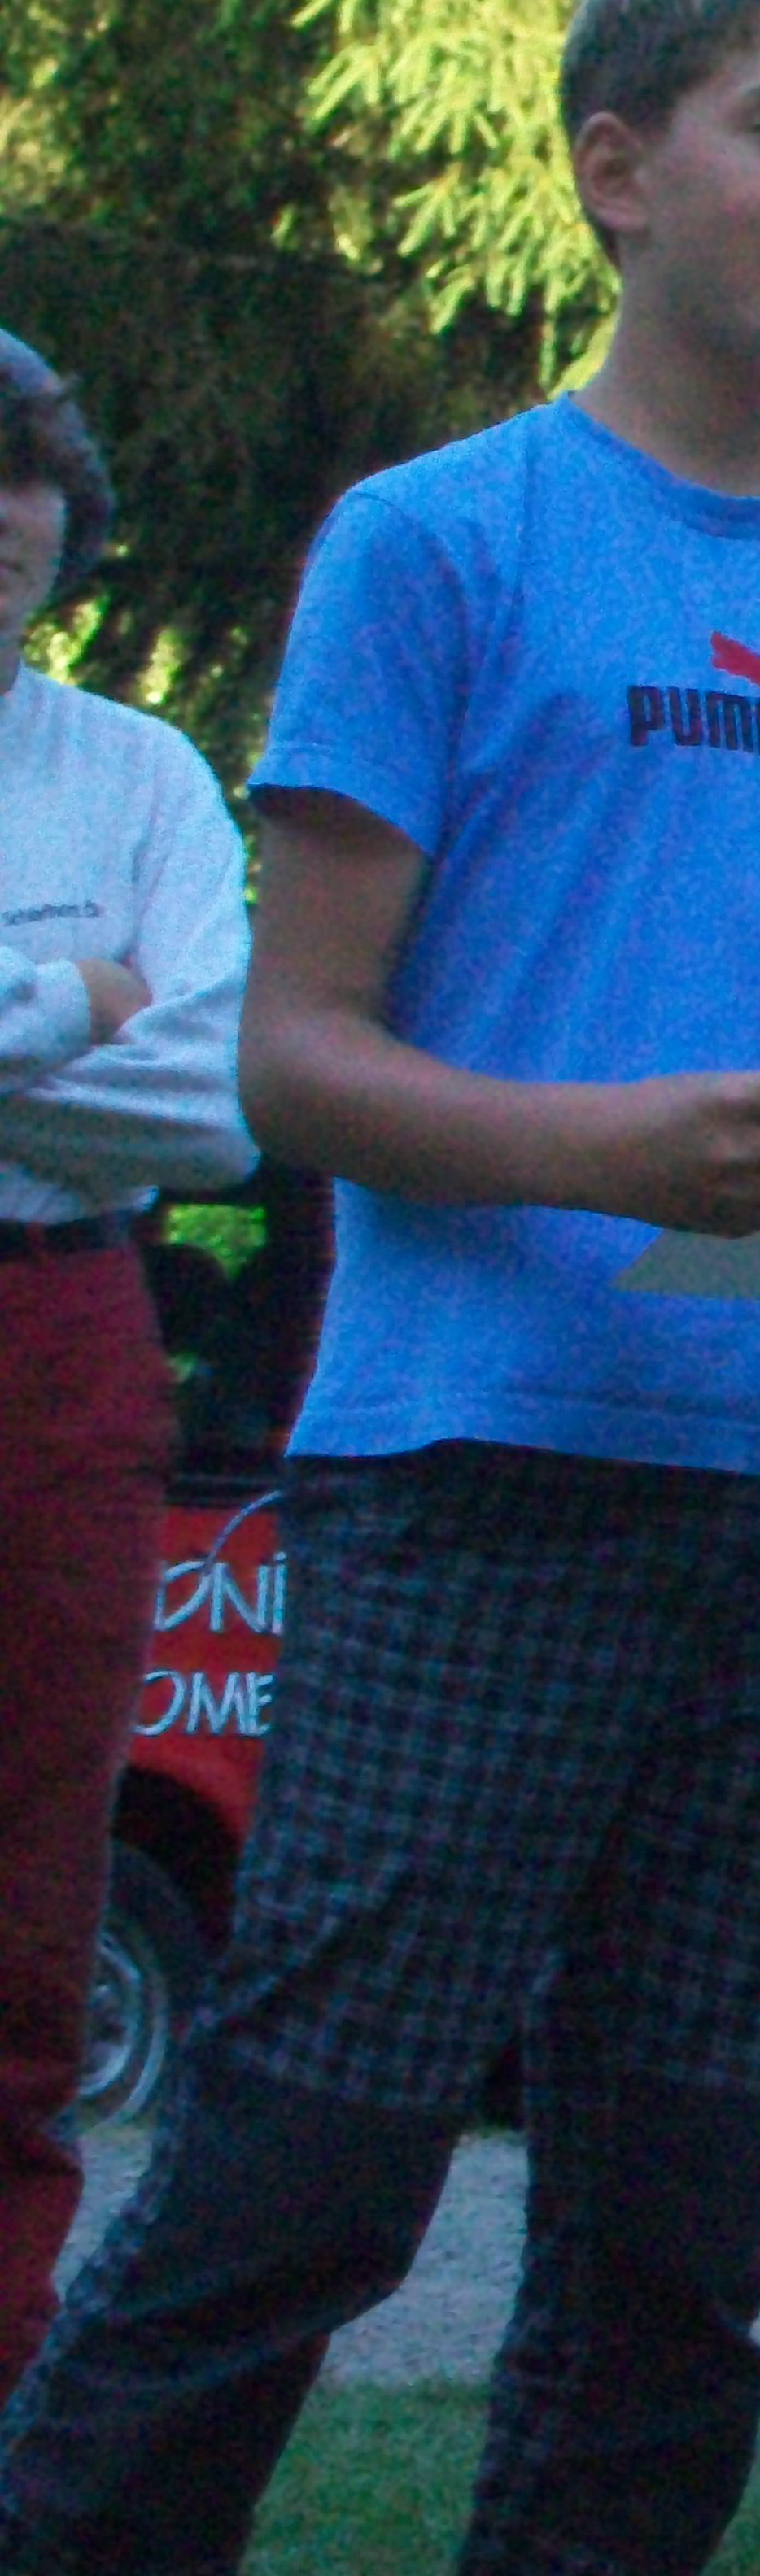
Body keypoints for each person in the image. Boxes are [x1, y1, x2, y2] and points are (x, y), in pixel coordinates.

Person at [0, 0, 760, 2576]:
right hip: (474, 1467)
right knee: (301, 2176)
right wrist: (606, 1148)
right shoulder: (439, 542)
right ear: (616, 170)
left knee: (673, 2250)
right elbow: (293, 1064)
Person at [0, 329, 253, 2408]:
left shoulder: (139, 775)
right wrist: (75, 994)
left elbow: (216, 1106)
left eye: (19, 479)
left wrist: (125, 1026)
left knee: (28, 1890)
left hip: (68, 1339)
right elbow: (129, 1049)